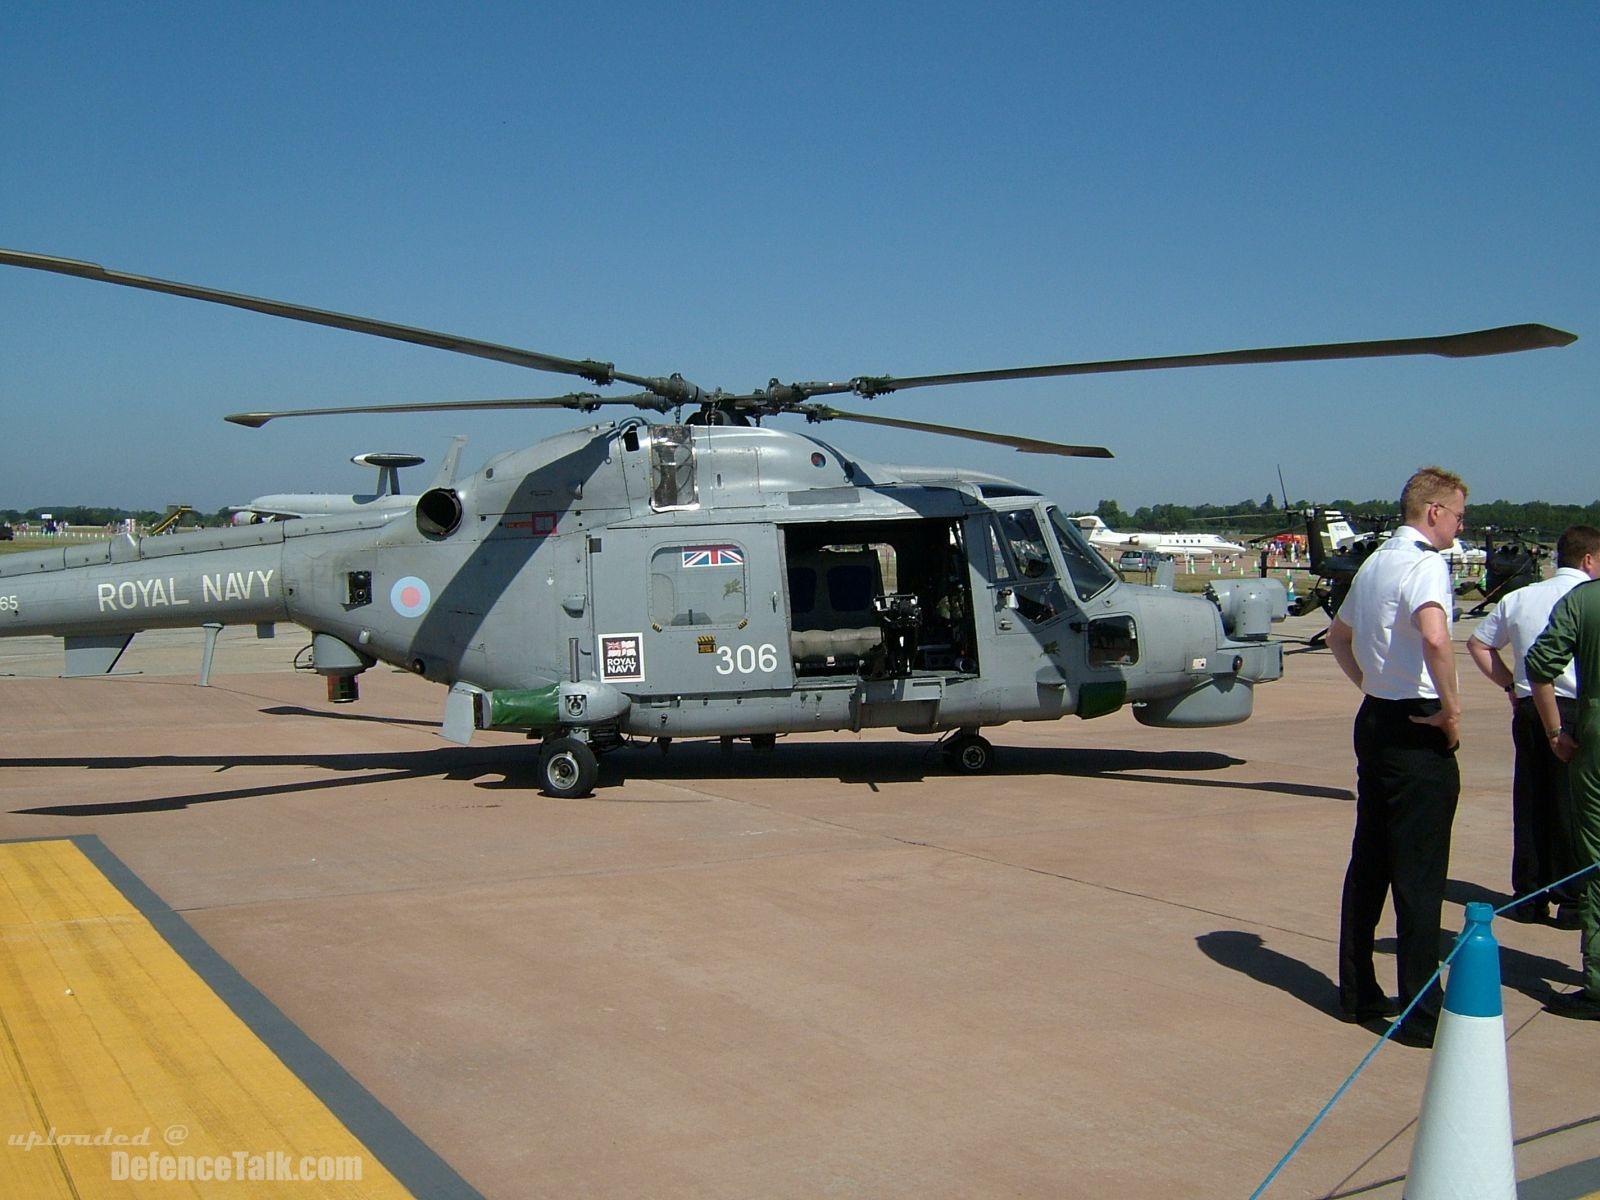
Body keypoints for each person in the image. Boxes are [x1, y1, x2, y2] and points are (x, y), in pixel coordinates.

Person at [1327, 467, 1467, 1047]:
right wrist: (1452, 710)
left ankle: (1357, 990)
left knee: (1372, 858)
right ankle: (1421, 1009)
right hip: (1417, 722)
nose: (1461, 525)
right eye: (1459, 514)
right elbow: (1435, 635)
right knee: (1420, 870)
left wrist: (1370, 686)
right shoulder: (1425, 563)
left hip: (1378, 718)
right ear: (1433, 512)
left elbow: (1338, 635)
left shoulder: (1377, 561)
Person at [1467, 526, 1600, 926]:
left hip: (1528, 704)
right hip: (1575, 707)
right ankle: (1573, 895)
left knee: (1530, 799)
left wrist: (1509, 682)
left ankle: (1529, 893)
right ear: (1588, 560)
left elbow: (1479, 644)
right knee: (1575, 808)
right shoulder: (1587, 601)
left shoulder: (1520, 597)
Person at [1528, 573, 1600, 1020]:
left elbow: (1540, 664)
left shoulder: (1583, 601)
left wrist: (1556, 729)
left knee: (1596, 861)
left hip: (1594, 736)